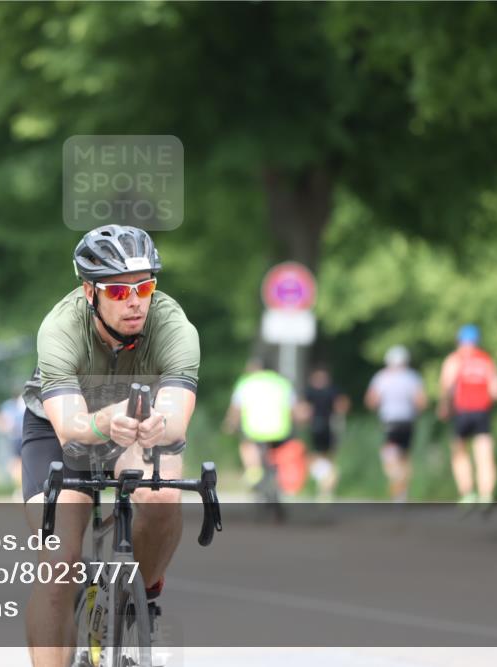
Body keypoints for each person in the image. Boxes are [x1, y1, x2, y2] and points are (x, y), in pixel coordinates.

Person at [19, 225, 199, 667]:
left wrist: (160, 424)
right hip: (62, 430)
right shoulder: (61, 327)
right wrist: (104, 420)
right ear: (90, 292)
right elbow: (70, 428)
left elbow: (176, 416)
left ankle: (142, 591)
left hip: (137, 424)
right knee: (59, 562)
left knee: (161, 495)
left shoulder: (173, 325)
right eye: (118, 291)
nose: (135, 301)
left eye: (145, 288)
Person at [438, 325, 497, 507]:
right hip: (482, 412)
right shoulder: (486, 359)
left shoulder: (455, 359)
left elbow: (446, 385)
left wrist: (444, 406)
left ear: (459, 341)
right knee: (484, 455)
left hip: (462, 411)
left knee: (459, 454)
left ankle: (467, 493)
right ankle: (486, 495)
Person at [221, 358, 298, 495]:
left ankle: (253, 471)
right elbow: (293, 409)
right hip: (280, 430)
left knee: (246, 445)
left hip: (255, 430)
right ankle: (282, 480)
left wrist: (230, 423)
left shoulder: (246, 382)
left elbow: (236, 409)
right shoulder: (282, 382)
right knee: (281, 453)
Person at [365, 345, 427, 502]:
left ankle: (397, 484)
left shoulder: (381, 377)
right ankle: (402, 492)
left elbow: (371, 401)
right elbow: (421, 402)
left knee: (389, 455)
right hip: (408, 422)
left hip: (390, 422)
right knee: (404, 456)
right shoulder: (412, 377)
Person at [298, 366, 350, 501]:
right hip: (325, 427)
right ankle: (326, 483)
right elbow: (342, 405)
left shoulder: (313, 391)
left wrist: (302, 421)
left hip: (320, 427)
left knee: (318, 457)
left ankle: (326, 483)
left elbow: (304, 409)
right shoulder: (330, 390)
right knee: (324, 457)